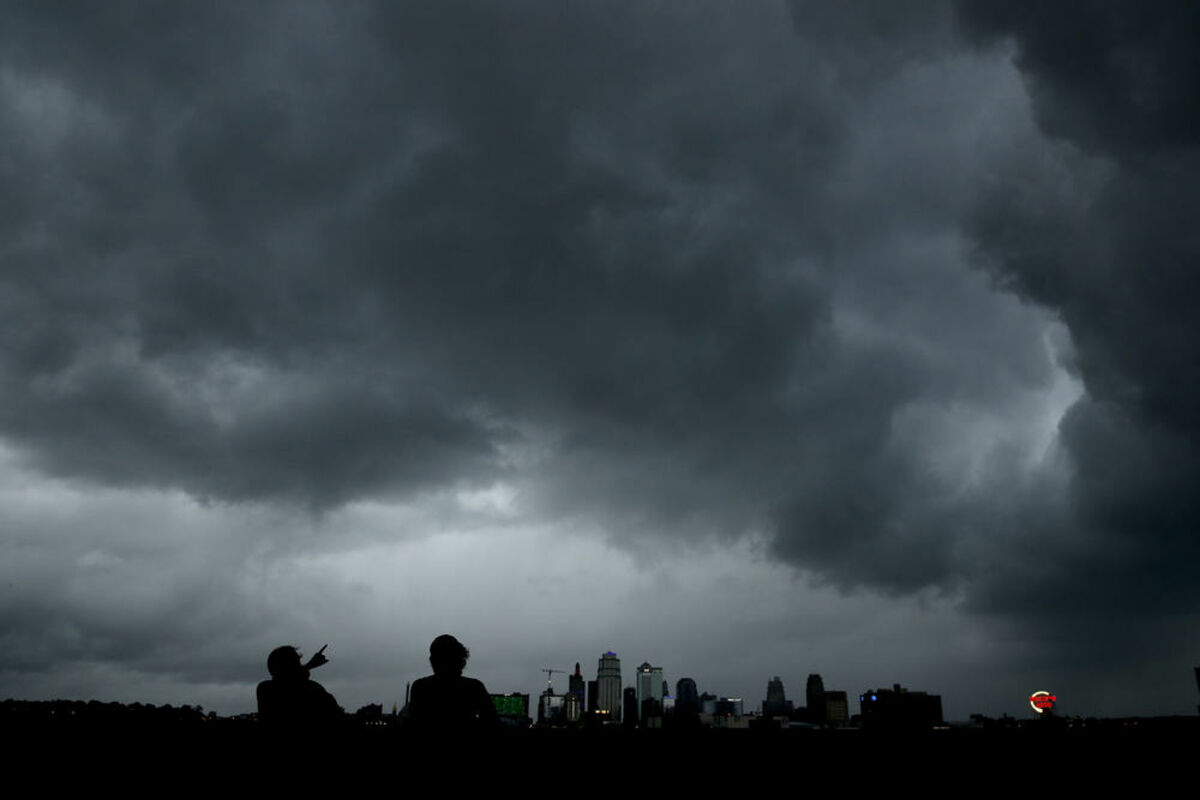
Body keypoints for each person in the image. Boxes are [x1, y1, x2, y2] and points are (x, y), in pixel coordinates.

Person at [406, 634, 499, 731]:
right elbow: (493, 724)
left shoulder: (420, 687)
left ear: (432, 662)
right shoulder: (475, 687)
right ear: (461, 661)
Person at [257, 644, 341, 727]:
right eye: (293, 661)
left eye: (297, 660)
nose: (298, 664)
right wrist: (309, 665)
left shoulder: (314, 687)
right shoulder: (267, 688)